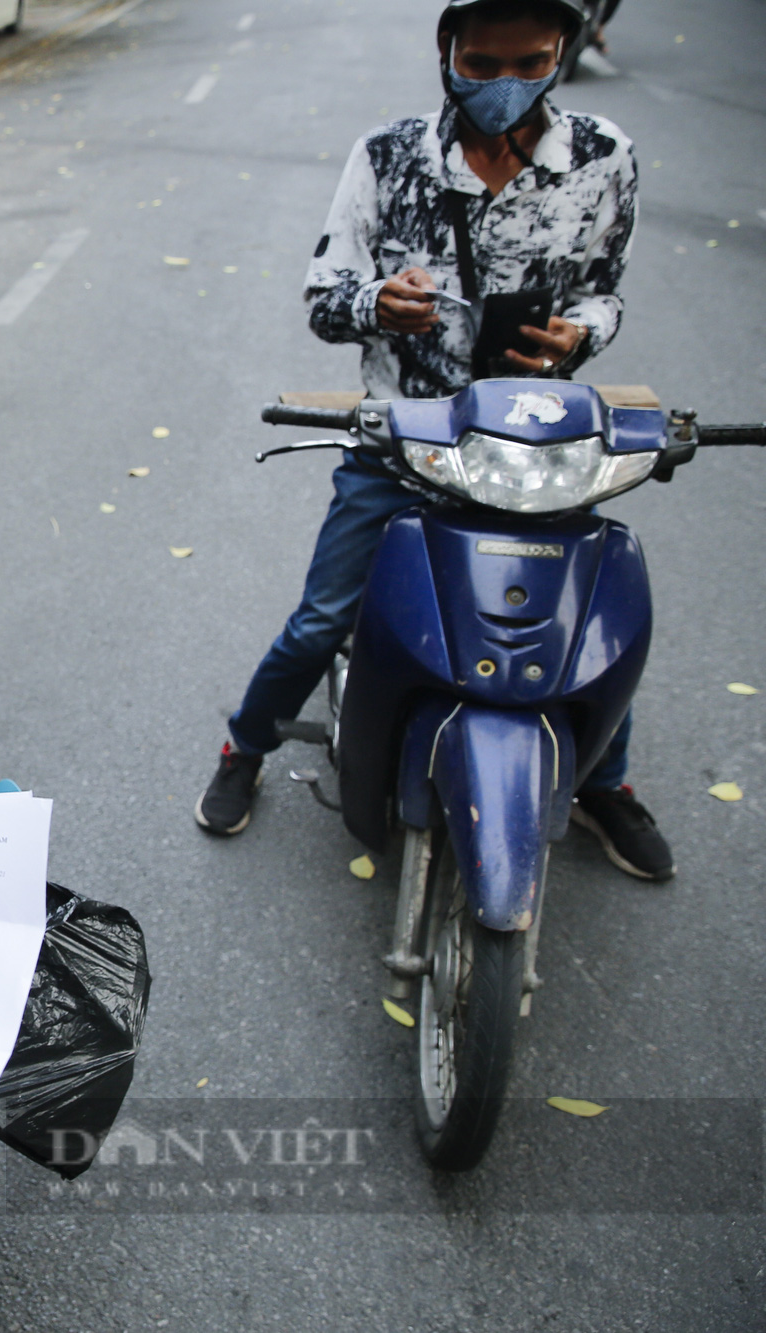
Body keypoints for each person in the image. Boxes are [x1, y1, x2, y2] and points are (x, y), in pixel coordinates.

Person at [194, 0, 665, 879]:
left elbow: (607, 292)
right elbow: (325, 292)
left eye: (530, 64)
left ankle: (607, 783)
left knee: (591, 627)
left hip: (535, 452)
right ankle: (246, 747)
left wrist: (579, 337)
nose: (503, 85)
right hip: (403, 441)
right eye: (482, 65)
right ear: (447, 51)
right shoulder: (388, 155)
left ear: (561, 53)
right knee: (324, 617)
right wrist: (378, 302)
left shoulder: (604, 159)